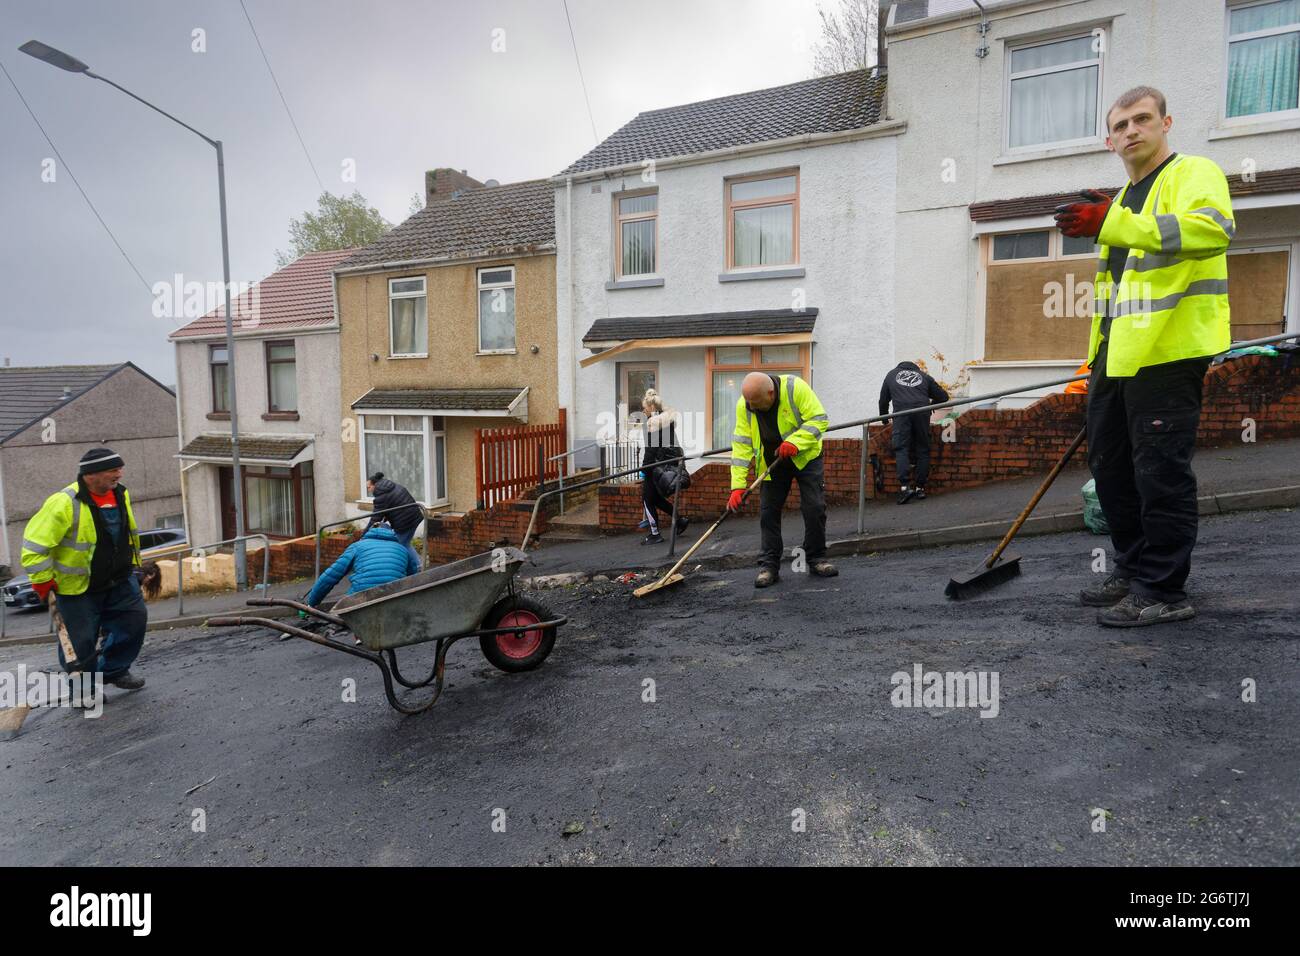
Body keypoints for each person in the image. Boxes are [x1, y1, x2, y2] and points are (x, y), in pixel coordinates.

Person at [1054, 85, 1232, 627]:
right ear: (1110, 141)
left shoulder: (1192, 173)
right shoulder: (1121, 200)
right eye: (1120, 125)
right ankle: (1133, 570)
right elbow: (1114, 294)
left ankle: (1164, 590)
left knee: (1160, 473)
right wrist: (1095, 361)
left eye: (1141, 119)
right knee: (1111, 471)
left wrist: (1111, 221)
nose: (1131, 130)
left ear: (1165, 122)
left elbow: (1213, 230)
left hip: (1169, 352)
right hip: (1117, 359)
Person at [20, 447, 148, 690]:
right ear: (91, 474)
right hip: (77, 589)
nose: (119, 474)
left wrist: (135, 566)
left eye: (120, 469)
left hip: (120, 580)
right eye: (113, 470)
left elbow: (124, 534)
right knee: (79, 643)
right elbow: (35, 547)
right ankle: (82, 690)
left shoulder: (121, 493)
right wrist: (41, 581)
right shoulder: (63, 502)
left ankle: (113, 670)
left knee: (133, 623)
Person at [727, 371, 837, 588]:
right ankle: (769, 566)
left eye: (758, 404)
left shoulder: (795, 388)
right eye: (751, 405)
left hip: (804, 457)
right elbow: (741, 444)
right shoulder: (746, 404)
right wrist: (737, 487)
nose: (754, 408)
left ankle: (816, 558)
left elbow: (819, 419)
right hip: (771, 463)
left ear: (771, 393)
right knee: (768, 512)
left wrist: (795, 441)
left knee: (814, 507)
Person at [305, 519, 421, 608]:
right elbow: (414, 577)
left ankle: (359, 638)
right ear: (391, 533)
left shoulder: (357, 546)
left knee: (350, 611)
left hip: (361, 597)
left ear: (371, 531)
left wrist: (311, 602)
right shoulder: (402, 549)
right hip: (394, 596)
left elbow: (331, 576)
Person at [879, 361, 949, 504]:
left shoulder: (891, 375)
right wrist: (930, 405)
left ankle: (905, 488)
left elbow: (883, 400)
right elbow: (943, 396)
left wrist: (884, 418)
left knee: (901, 448)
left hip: (901, 414)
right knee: (923, 449)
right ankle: (920, 488)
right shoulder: (924, 376)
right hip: (922, 413)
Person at [638, 389, 690, 545]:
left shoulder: (653, 425)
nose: (643, 411)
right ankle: (679, 521)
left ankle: (655, 534)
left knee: (648, 499)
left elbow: (651, 450)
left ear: (652, 409)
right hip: (666, 466)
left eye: (645, 408)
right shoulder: (666, 423)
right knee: (655, 499)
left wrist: (644, 469)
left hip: (656, 467)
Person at [366, 472, 424, 567]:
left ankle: (418, 566)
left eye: (368, 487)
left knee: (400, 545)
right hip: (414, 516)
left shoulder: (381, 496)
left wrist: (365, 534)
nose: (368, 490)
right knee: (405, 544)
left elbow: (375, 518)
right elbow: (393, 504)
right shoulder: (392, 486)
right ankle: (416, 565)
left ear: (374, 485)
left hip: (406, 522)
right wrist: (385, 516)